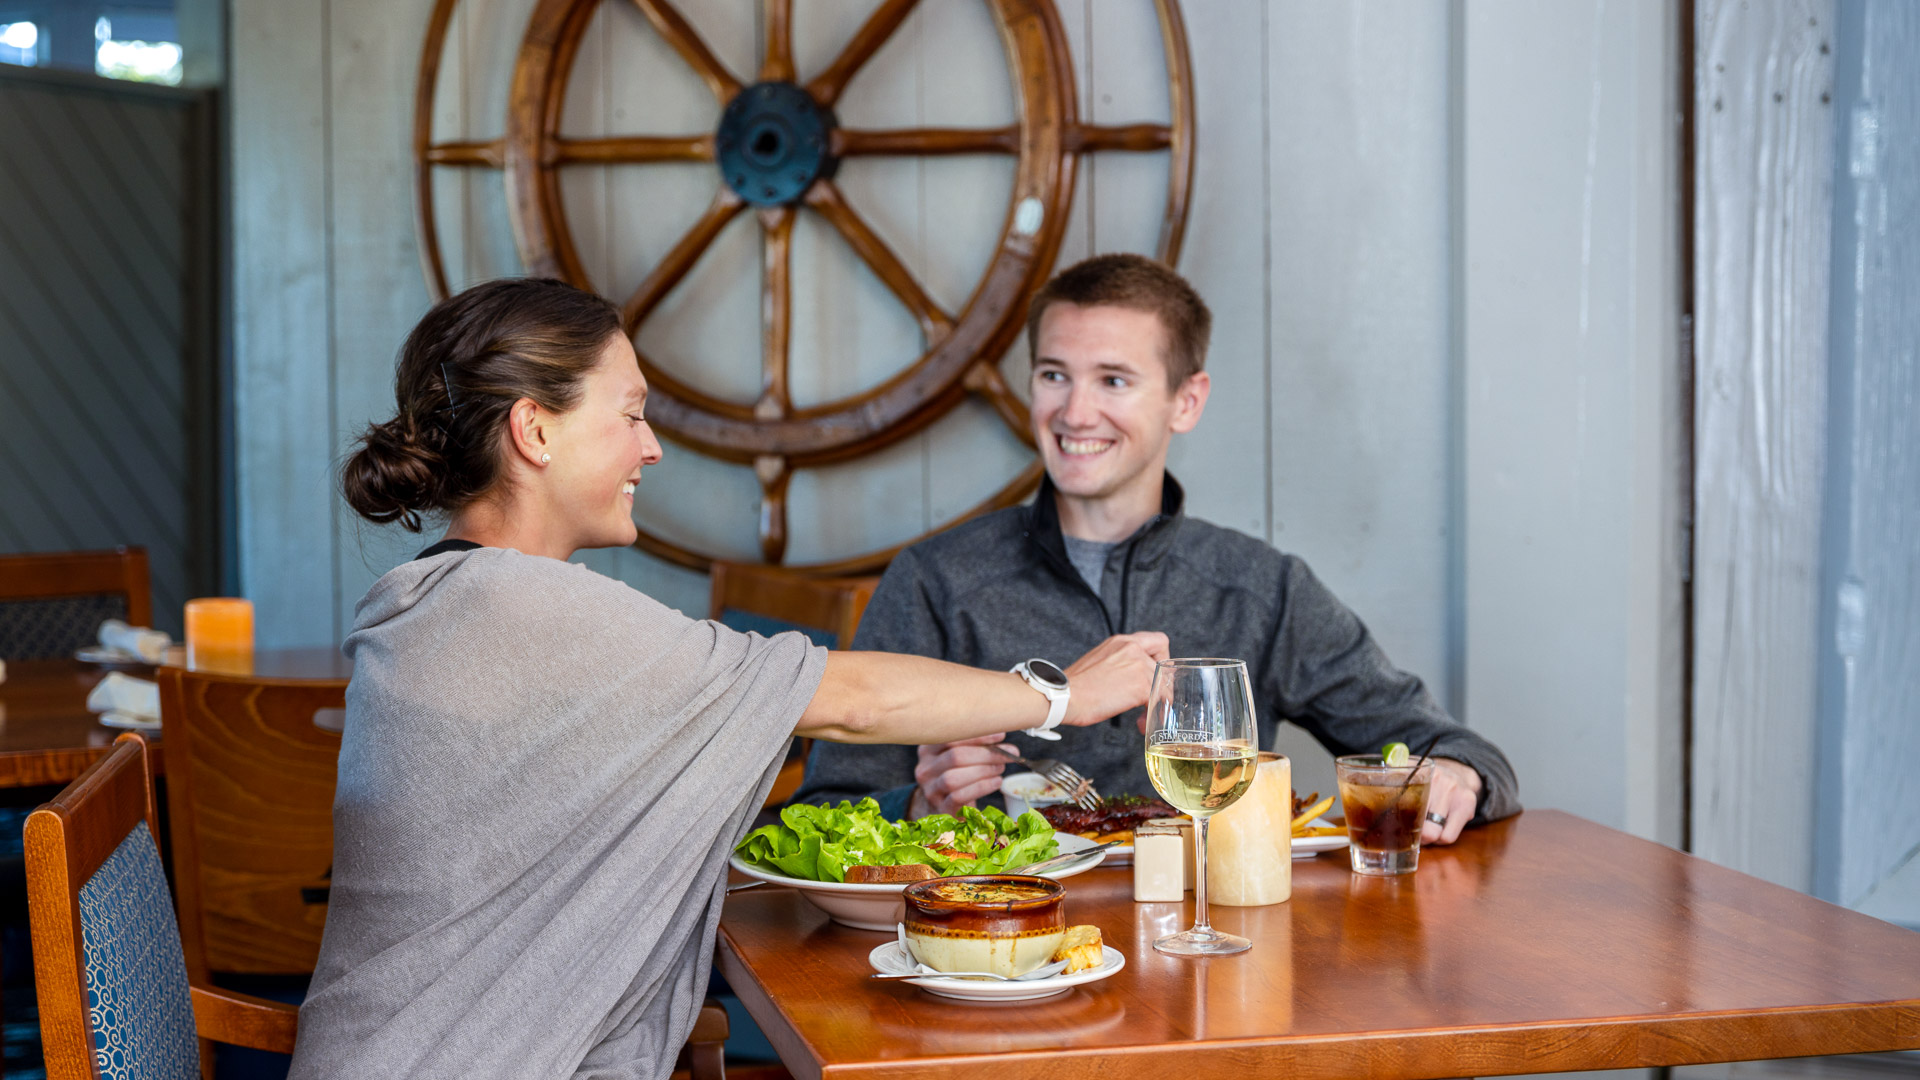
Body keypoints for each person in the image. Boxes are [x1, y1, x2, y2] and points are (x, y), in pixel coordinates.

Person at [289, 277, 1166, 1079]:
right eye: (630, 414)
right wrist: (1068, 696)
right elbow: (853, 701)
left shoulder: (446, 599)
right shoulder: (515, 608)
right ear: (535, 431)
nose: (653, 447)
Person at [794, 253, 1519, 842]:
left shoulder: (1262, 587)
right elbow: (825, 813)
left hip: (1217, 961)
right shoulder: (935, 579)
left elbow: (1456, 752)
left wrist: (1457, 775)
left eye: (1114, 380)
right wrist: (920, 813)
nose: (1075, 413)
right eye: (1054, 376)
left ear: (1186, 401)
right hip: (1002, 964)